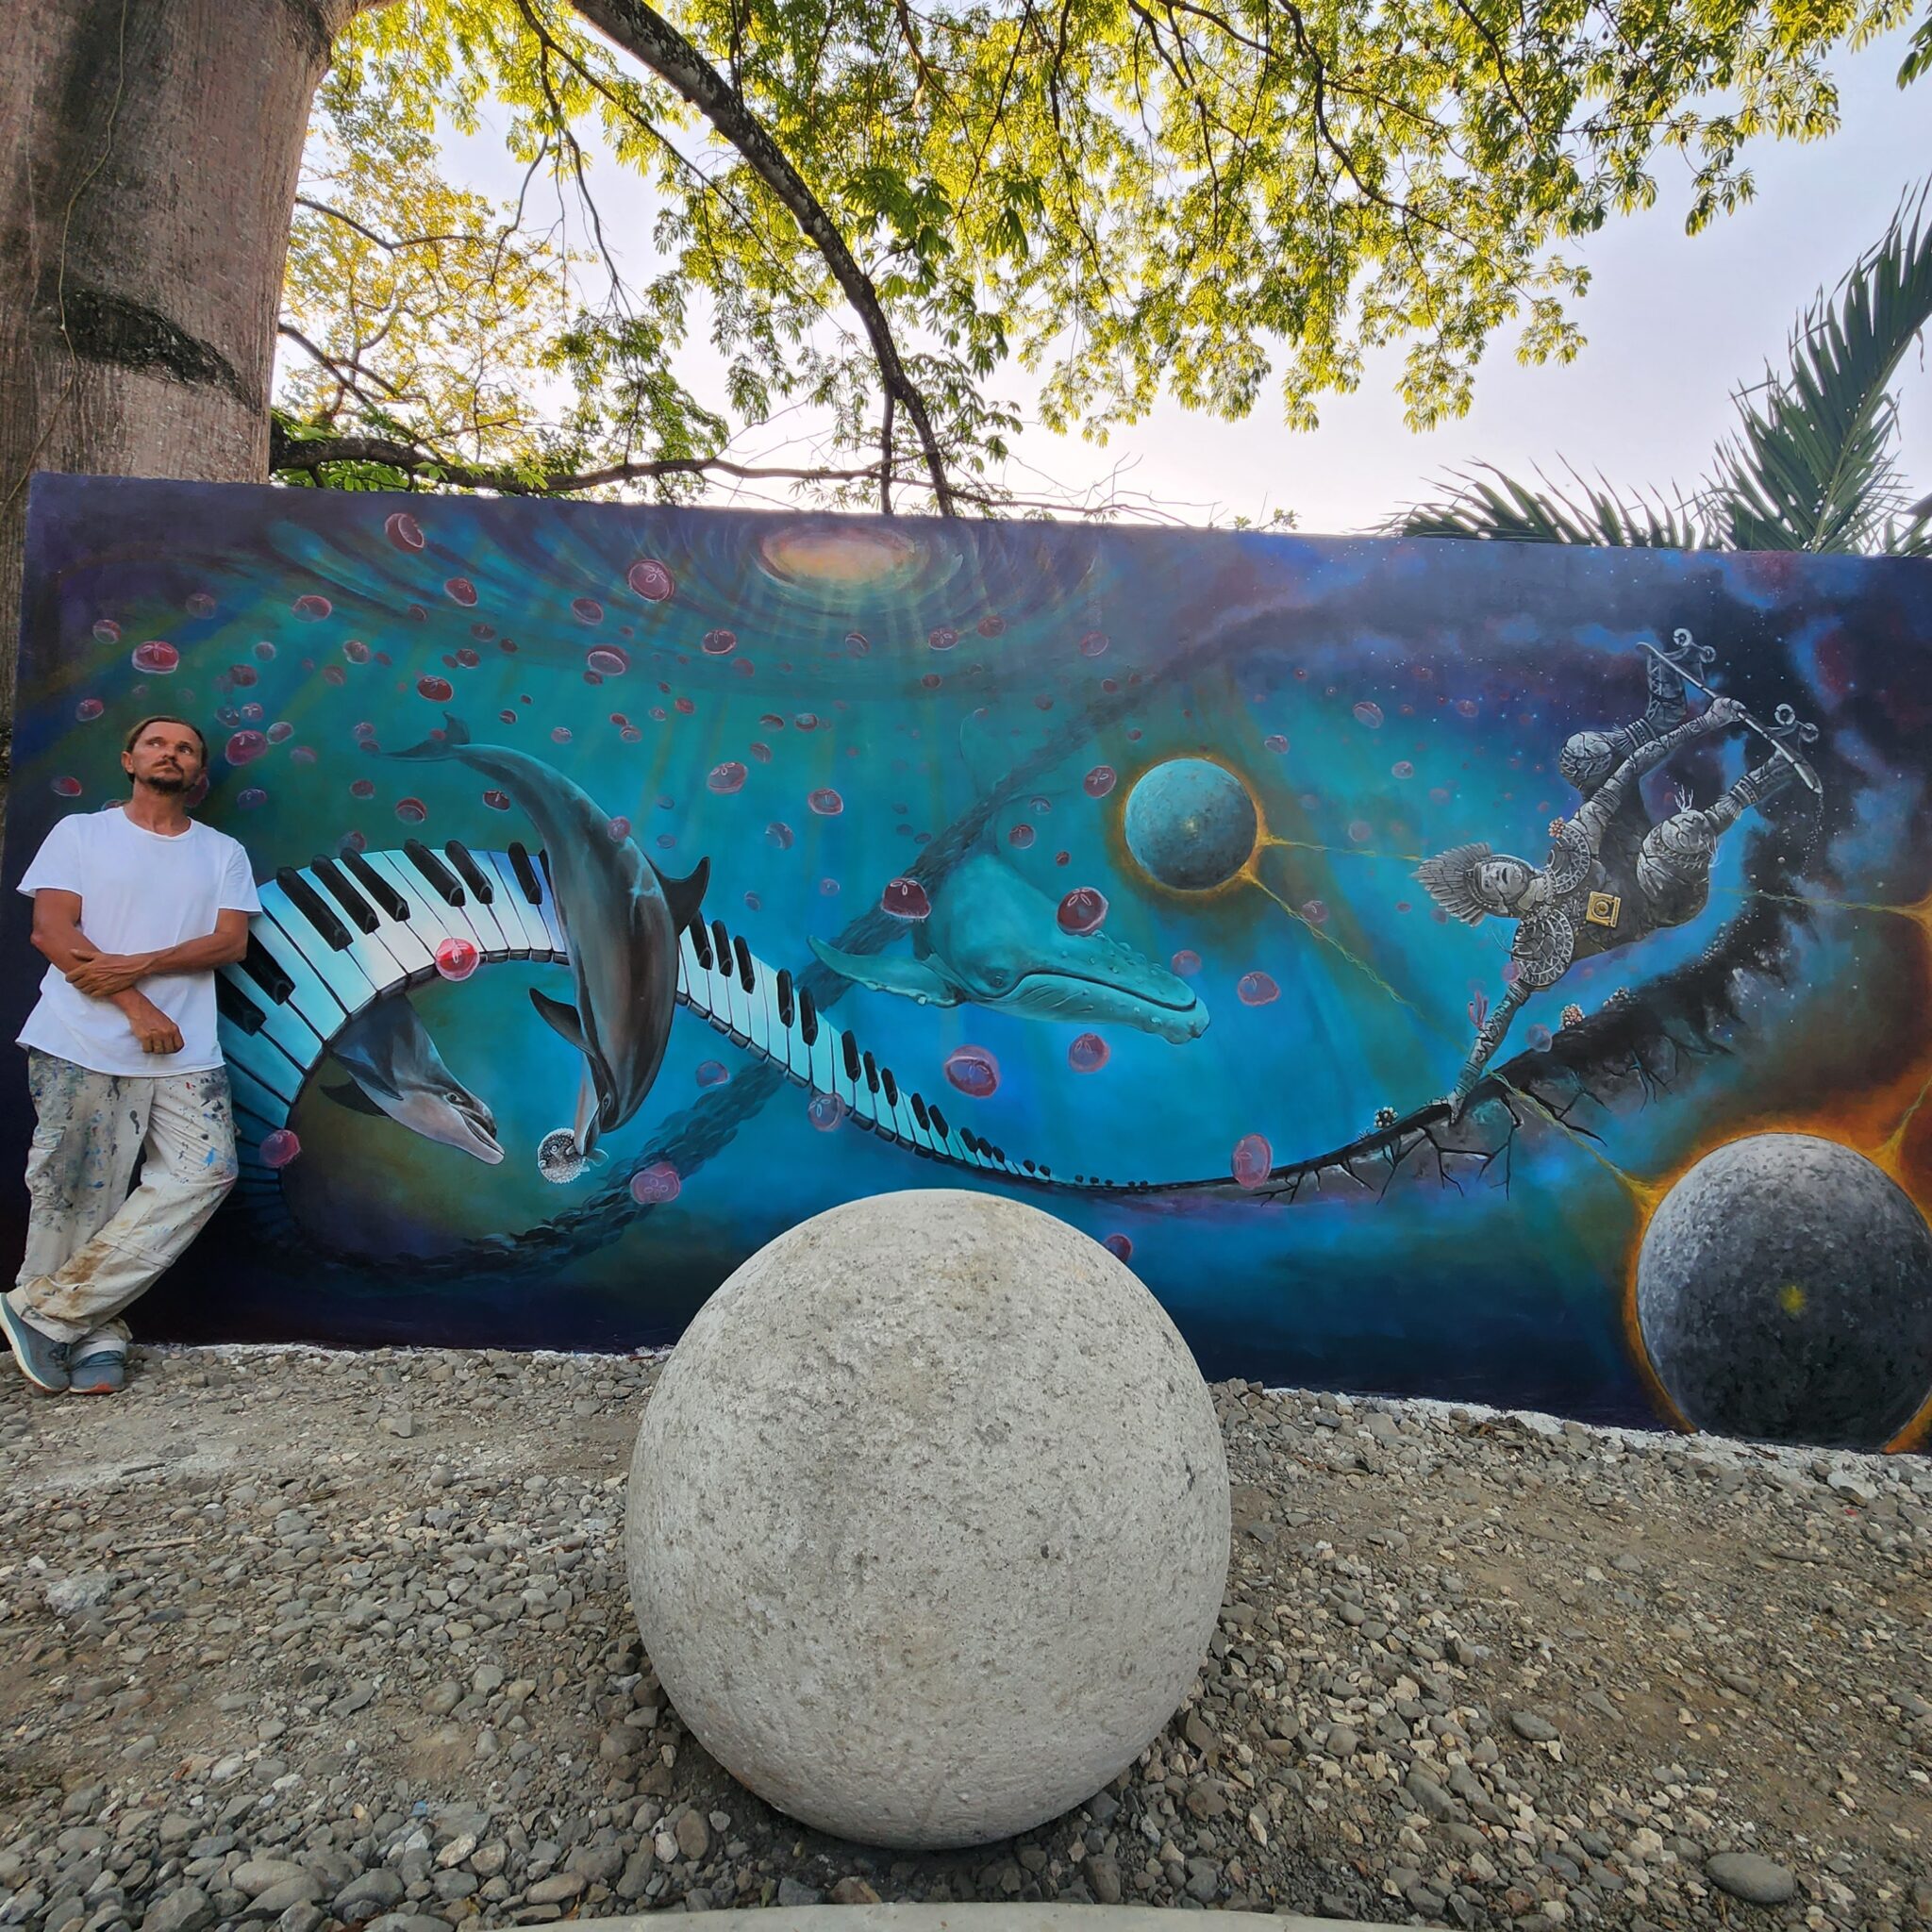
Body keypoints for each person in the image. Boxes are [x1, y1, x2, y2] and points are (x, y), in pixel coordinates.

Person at [1416, 658, 1815, 1118]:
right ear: (1498, 903)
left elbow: (1629, 770)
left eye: (1494, 867)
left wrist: (1706, 720)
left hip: (1635, 846)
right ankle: (1770, 776)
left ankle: (1663, 712)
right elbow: (1502, 1017)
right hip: (1666, 898)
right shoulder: (1542, 947)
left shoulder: (1572, 845)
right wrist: (1463, 1084)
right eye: (1491, 884)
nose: (1497, 873)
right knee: (1673, 837)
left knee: (1581, 755)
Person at [1, 716, 258, 1394]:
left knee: (206, 1173)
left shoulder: (222, 852)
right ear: (128, 758)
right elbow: (52, 931)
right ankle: (94, 1335)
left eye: (184, 748)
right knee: (74, 1188)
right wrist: (138, 1005)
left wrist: (138, 963)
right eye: (155, 743)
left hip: (187, 1051)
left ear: (198, 774)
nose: (168, 753)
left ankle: (45, 1314)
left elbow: (229, 943)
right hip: (78, 1038)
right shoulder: (81, 833)